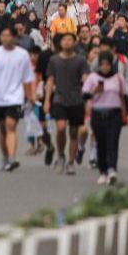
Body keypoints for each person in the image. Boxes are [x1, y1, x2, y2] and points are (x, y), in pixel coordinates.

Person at [0, 26, 35, 172]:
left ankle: (11, 158)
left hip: (15, 98)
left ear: (14, 37)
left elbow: (27, 78)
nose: (6, 38)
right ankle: (5, 157)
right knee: (2, 129)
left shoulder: (22, 55)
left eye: (8, 35)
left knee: (11, 126)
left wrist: (30, 97)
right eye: (3, 36)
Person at [44, 33, 90, 175]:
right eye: (65, 40)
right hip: (59, 99)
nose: (67, 42)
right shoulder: (54, 60)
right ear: (61, 43)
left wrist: (88, 89)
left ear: (74, 42)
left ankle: (71, 162)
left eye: (70, 40)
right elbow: (50, 80)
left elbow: (86, 77)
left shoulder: (81, 60)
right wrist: (47, 100)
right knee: (61, 127)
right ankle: (60, 154)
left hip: (76, 99)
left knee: (74, 132)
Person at [83, 51, 128, 184]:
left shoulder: (118, 78)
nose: (105, 67)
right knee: (101, 144)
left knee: (112, 142)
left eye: (107, 64)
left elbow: (124, 96)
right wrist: (94, 91)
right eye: (102, 64)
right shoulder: (93, 78)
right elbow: (84, 96)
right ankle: (103, 171)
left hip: (114, 113)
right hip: (97, 114)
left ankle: (112, 169)